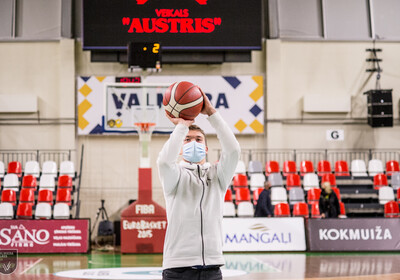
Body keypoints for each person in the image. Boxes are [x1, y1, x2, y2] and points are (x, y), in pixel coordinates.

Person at [157, 87, 241, 280]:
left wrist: (212, 113)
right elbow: (163, 161)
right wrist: (182, 126)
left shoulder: (218, 175)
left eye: (198, 139)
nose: (193, 142)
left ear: (205, 148)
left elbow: (234, 150)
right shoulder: (174, 175)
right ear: (180, 147)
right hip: (177, 268)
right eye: (187, 139)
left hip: (212, 267)